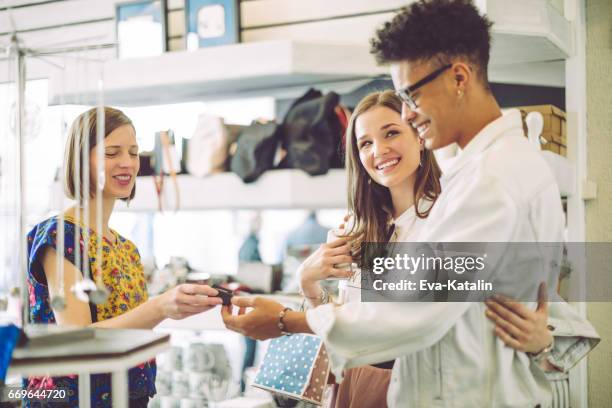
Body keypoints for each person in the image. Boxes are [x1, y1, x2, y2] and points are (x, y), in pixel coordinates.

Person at [222, 1, 598, 407]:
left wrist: (281, 320)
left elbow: (414, 312)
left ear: (458, 77)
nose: (407, 112)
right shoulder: (477, 175)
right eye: (365, 142)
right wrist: (309, 289)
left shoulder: (491, 180)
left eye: (411, 95)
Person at [25, 107, 223, 407]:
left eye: (133, 152)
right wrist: (161, 307)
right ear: (80, 161)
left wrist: (176, 306)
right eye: (111, 152)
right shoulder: (60, 236)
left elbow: (128, 328)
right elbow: (77, 340)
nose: (127, 163)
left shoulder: (126, 248)